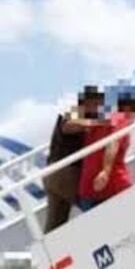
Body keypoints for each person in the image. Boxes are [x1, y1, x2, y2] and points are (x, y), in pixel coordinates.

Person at [74, 88, 134, 210]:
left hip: (104, 187)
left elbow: (113, 143)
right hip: (99, 189)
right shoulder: (97, 122)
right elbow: (113, 142)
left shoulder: (114, 118)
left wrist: (105, 171)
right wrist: (106, 171)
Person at [42, 96, 89, 232]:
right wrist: (95, 123)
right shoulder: (77, 108)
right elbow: (68, 126)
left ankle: (49, 251)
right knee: (95, 205)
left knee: (55, 226)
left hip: (53, 173)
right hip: (66, 173)